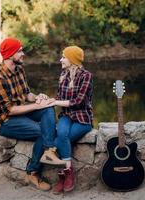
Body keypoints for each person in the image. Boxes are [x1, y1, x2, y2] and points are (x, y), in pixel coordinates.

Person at [0, 37, 65, 191]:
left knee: (48, 107)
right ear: (10, 55)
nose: (23, 54)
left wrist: (38, 98)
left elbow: (26, 94)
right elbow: (10, 110)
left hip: (20, 113)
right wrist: (36, 106)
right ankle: (33, 172)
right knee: (43, 131)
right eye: (19, 51)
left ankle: (49, 150)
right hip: (5, 121)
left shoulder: (19, 69)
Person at [42, 46, 93, 194]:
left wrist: (56, 103)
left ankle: (62, 176)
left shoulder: (86, 76)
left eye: (63, 57)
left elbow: (79, 102)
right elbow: (60, 98)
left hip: (82, 118)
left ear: (72, 59)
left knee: (59, 140)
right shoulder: (64, 74)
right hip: (66, 116)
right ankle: (69, 172)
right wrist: (50, 99)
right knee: (62, 133)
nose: (60, 60)